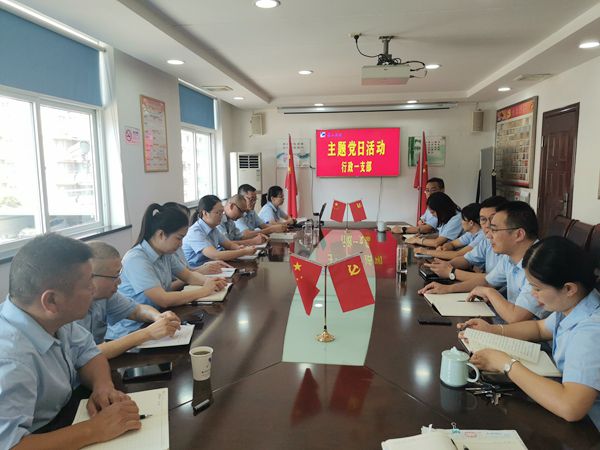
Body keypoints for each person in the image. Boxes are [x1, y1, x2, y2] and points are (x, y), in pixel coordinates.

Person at [0, 233, 140, 449]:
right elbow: (10, 445)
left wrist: (102, 386)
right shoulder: (10, 360)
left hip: (64, 415)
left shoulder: (52, 317)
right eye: (87, 284)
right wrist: (94, 430)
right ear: (51, 300)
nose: (93, 289)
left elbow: (89, 353)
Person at [459, 237, 600, 428]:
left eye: (537, 288)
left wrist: (505, 363)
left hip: (589, 428)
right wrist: (493, 330)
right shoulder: (573, 305)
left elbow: (571, 407)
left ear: (568, 288)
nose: (532, 294)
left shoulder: (591, 331)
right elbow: (539, 328)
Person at [106, 203, 227, 340]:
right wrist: (204, 290)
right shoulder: (136, 259)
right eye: (179, 238)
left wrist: (211, 282)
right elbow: (163, 299)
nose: (181, 244)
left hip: (157, 319)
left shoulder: (166, 253)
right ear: (161, 234)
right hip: (132, 331)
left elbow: (189, 276)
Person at [423, 201, 547, 323]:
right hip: (510, 323)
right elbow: (487, 281)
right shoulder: (509, 257)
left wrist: (489, 292)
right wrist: (448, 289)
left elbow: (515, 317)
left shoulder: (539, 264)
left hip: (528, 332)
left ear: (519, 234)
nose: (488, 236)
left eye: (495, 230)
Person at [78, 241, 182, 359]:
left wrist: (158, 317)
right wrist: (147, 333)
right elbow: (88, 354)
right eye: (114, 276)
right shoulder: (70, 309)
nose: (119, 281)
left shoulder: (105, 296)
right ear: (90, 277)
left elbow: (137, 310)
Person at [419, 195, 507, 292]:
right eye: (483, 219)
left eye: (493, 219)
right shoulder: (486, 241)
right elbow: (466, 259)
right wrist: (445, 265)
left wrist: (451, 272)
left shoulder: (510, 252)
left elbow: (490, 280)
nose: (487, 225)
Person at [182, 195, 257, 267]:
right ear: (205, 213)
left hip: (210, 267)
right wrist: (244, 251)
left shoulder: (214, 229)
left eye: (222, 212)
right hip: (195, 270)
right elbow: (216, 255)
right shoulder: (195, 232)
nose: (221, 216)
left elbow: (229, 245)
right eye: (218, 213)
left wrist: (239, 248)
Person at [415, 202, 484, 260]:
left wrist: (425, 252)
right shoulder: (470, 233)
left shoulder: (482, 236)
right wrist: (444, 248)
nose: (461, 222)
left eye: (463, 219)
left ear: (471, 223)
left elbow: (458, 255)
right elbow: (452, 244)